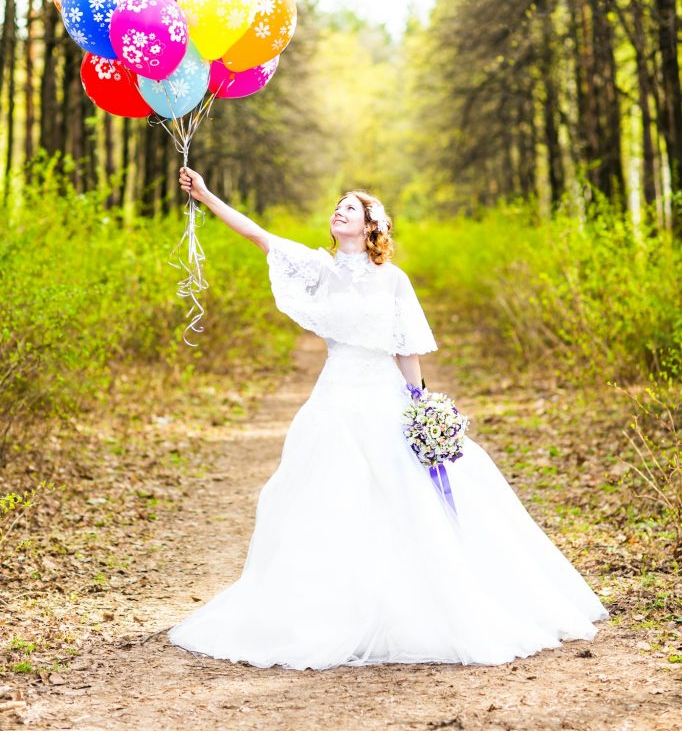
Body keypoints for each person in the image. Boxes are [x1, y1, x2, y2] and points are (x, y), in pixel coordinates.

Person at [167, 166, 608, 670]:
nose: (339, 211)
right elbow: (256, 233)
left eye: (350, 208)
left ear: (371, 225)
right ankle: (327, 608)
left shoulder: (393, 281)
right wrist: (205, 195)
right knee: (329, 497)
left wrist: (421, 406)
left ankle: (416, 606)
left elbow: (408, 349)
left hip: (384, 398)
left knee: (405, 497)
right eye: (337, 206)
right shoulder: (317, 268)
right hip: (334, 399)